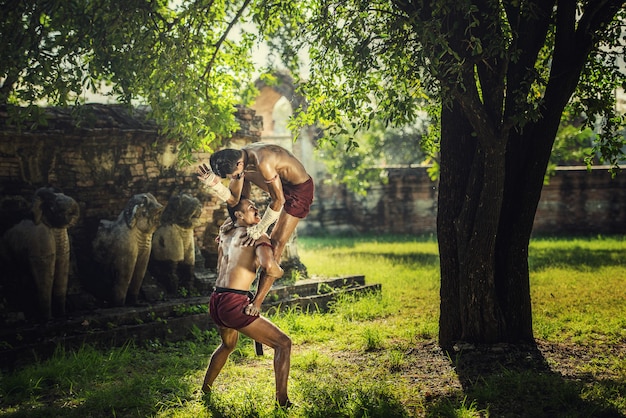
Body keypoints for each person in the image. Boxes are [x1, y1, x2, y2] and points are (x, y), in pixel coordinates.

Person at [202, 197, 292, 408]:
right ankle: (283, 402)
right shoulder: (257, 237)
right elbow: (269, 267)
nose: (256, 208)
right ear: (239, 215)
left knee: (228, 345)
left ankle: (205, 390)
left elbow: (228, 223)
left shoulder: (226, 232)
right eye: (250, 207)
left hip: (216, 300)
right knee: (283, 344)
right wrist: (280, 269)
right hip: (233, 303)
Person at [197, 142, 314, 263]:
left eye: (234, 175)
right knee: (243, 176)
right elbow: (234, 200)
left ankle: (271, 273)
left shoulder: (263, 162)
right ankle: (237, 221)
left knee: (276, 244)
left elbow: (279, 200)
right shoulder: (242, 157)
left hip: (298, 189)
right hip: (279, 182)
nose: (235, 177)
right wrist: (216, 185)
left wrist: (259, 229)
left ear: (239, 164)